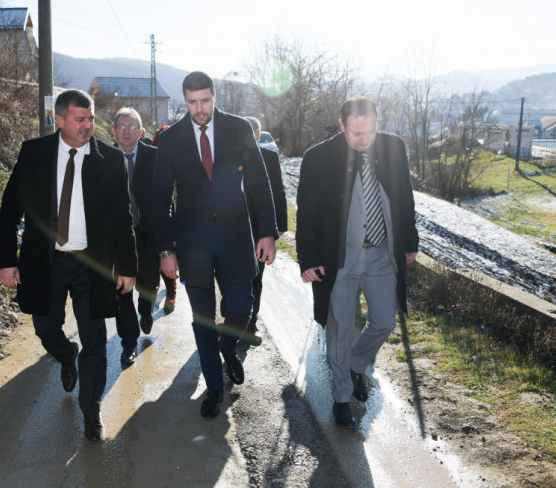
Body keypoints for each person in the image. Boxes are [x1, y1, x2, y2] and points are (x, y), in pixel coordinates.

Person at [0, 89, 137, 441]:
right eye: (79, 119)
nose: (88, 125)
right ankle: (65, 352)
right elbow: (10, 208)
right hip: (45, 262)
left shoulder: (109, 159)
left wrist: (128, 267)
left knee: (95, 339)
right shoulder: (35, 153)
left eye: (91, 118)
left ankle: (91, 410)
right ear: (59, 120)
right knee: (45, 328)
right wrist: (6, 261)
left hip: (92, 265)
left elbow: (123, 218)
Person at [152, 71, 278, 419]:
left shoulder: (238, 128)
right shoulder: (171, 139)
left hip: (236, 236)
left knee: (241, 308)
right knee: (203, 317)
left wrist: (268, 232)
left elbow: (260, 183)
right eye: (192, 102)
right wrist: (166, 251)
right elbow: (159, 199)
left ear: (214, 96)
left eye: (205, 100)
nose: (199, 109)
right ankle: (214, 387)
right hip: (192, 243)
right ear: (185, 100)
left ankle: (228, 346)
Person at [296, 96, 418, 428]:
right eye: (356, 134)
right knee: (340, 329)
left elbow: (404, 196)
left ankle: (354, 364)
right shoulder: (318, 157)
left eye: (370, 132)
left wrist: (409, 240)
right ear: (342, 126)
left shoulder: (393, 148)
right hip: (339, 258)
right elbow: (307, 214)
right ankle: (341, 398)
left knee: (385, 321)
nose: (364, 140)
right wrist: (308, 259)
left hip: (381, 253)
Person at [220, 116, 287, 346]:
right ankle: (231, 314)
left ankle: (250, 324)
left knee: (256, 277)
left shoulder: (270, 157)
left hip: (259, 229)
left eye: (255, 135)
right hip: (230, 228)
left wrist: (279, 225)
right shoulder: (227, 155)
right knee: (230, 276)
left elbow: (277, 191)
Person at [112, 107, 160, 364]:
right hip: (119, 236)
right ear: (114, 131)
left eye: (132, 127)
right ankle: (128, 343)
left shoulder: (156, 157)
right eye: (121, 127)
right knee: (121, 290)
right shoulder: (103, 158)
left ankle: (146, 307)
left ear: (141, 132)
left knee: (148, 282)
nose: (126, 132)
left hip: (148, 233)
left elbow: (166, 199)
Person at [151, 125, 178, 314]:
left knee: (169, 254)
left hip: (176, 214)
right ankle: (157, 290)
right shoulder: (151, 159)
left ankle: (171, 292)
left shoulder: (180, 159)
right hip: (156, 213)